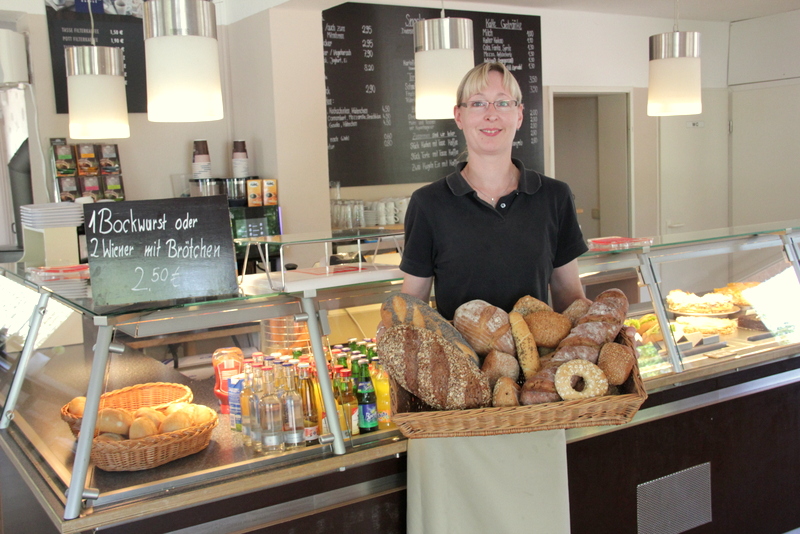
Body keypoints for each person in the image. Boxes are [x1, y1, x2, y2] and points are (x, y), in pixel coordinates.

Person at [399, 61, 588, 319]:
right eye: (477, 103)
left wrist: (606, 333)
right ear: (459, 116)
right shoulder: (428, 203)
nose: (491, 114)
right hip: (460, 360)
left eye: (502, 103)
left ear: (519, 115)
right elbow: (414, 305)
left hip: (537, 360)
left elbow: (569, 298)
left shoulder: (554, 196)